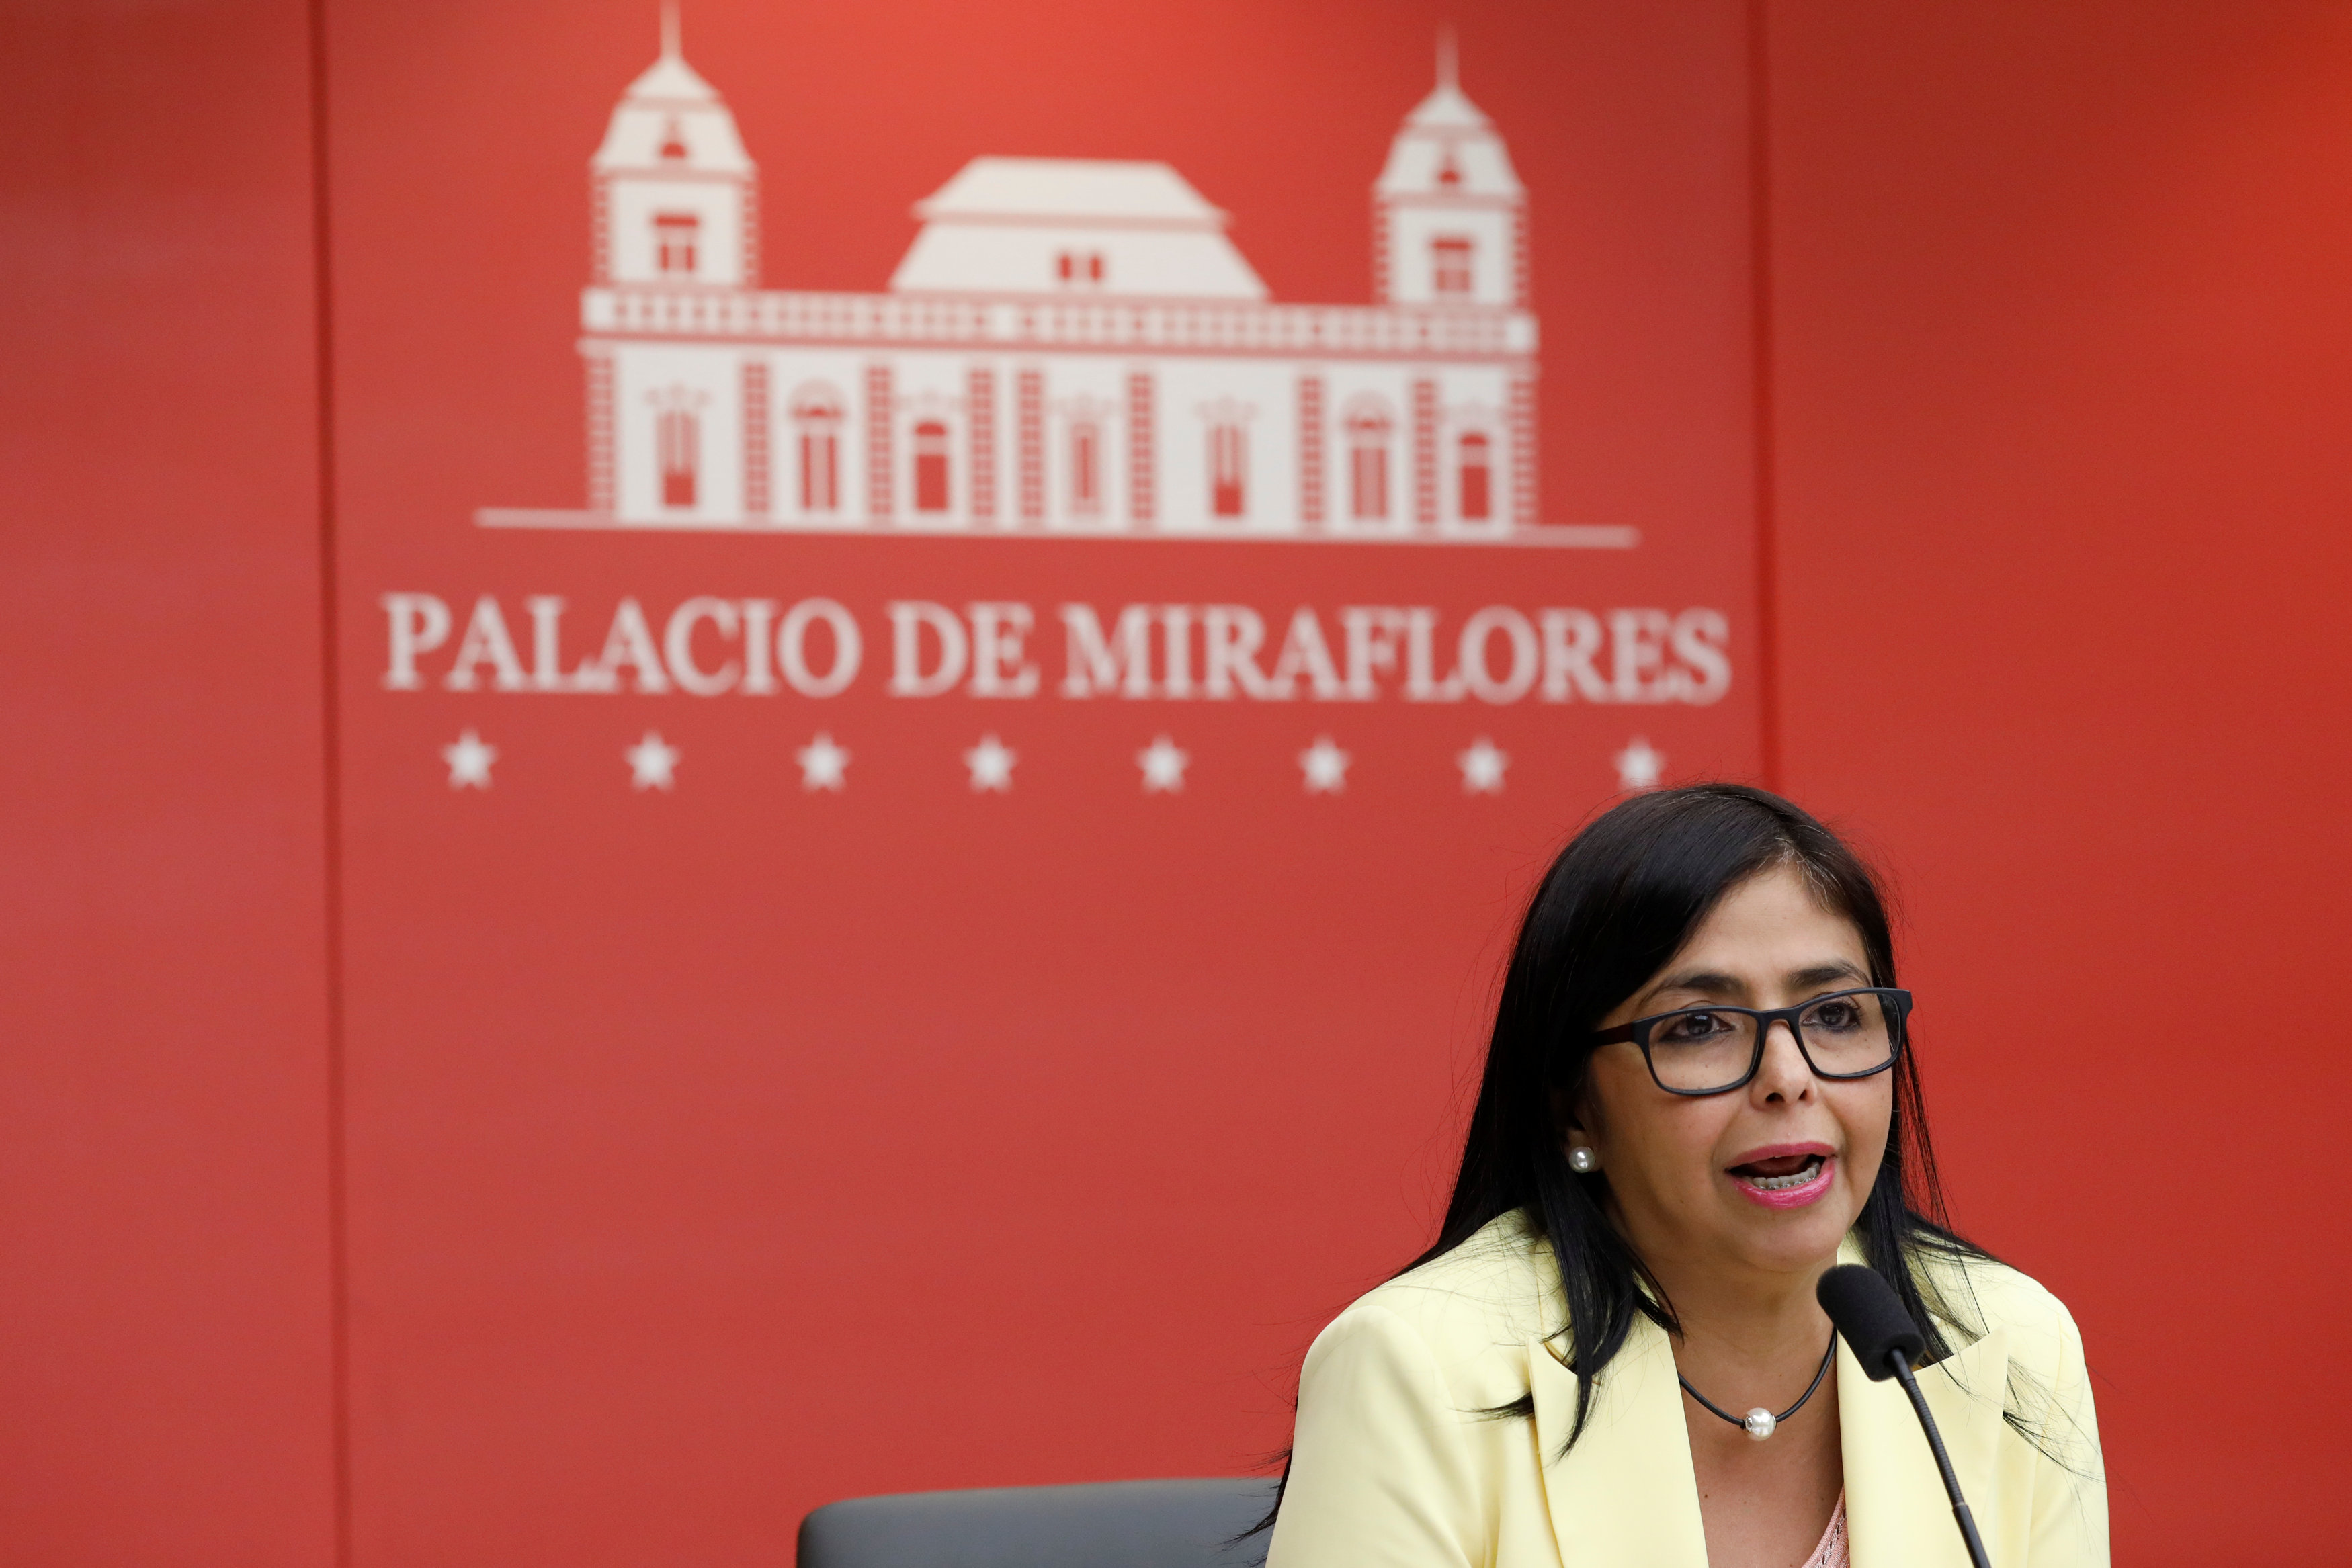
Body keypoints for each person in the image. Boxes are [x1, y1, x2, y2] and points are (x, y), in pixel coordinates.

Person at [1263, 785, 2105, 1567]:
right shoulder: (1418, 1372)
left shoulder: (2006, 1343)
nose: (1787, 1076)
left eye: (1835, 1015)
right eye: (1699, 1025)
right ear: (1573, 1107)